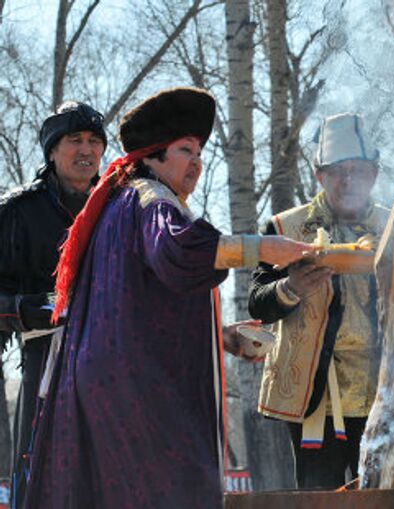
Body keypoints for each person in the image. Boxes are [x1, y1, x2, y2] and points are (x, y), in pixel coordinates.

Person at [23, 87, 314, 508]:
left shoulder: (122, 201)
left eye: (198, 152)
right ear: (154, 155)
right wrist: (263, 248)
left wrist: (222, 336)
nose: (196, 162)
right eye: (185, 150)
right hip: (135, 390)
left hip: (112, 382)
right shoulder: (152, 200)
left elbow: (145, 307)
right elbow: (178, 251)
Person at [249, 113, 390, 489]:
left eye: (358, 171)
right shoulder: (284, 229)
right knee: (319, 498)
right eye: (337, 171)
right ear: (319, 176)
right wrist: (290, 288)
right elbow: (257, 303)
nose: (348, 181)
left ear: (374, 175)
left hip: (382, 392)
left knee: (384, 495)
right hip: (314, 394)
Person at [0, 101, 106, 506]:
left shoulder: (120, 207)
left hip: (115, 366)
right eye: (74, 140)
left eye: (94, 141)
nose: (86, 150)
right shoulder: (17, 212)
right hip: (46, 363)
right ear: (51, 151)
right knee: (42, 482)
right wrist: (28, 308)